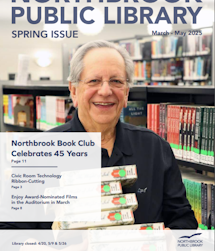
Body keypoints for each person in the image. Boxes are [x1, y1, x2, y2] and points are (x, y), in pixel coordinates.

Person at [0, 40, 198, 230]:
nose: (105, 91)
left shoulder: (155, 147)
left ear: (127, 93)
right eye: (94, 81)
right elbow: (8, 231)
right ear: (74, 91)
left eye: (116, 81)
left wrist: (173, 238)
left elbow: (184, 219)